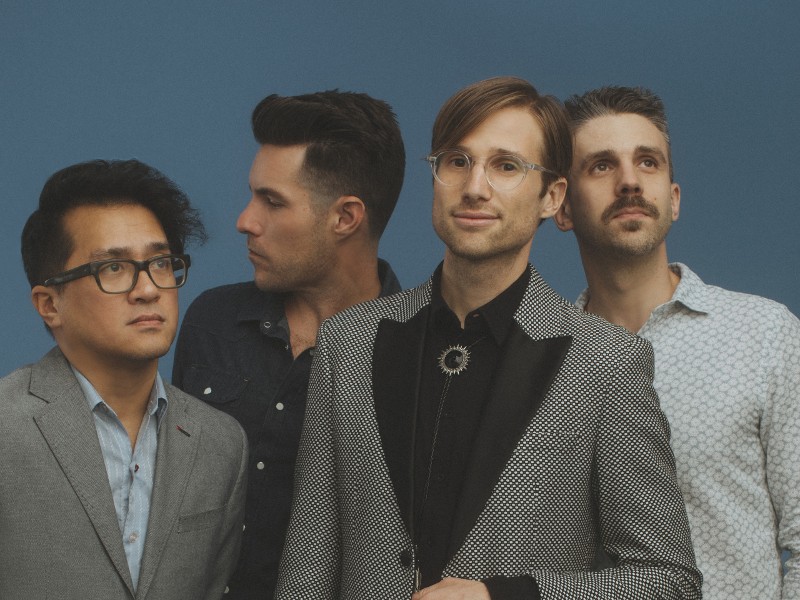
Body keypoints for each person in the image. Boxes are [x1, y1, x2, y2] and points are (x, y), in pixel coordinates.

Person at [276, 76, 702, 600]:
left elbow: (667, 581)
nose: (475, 186)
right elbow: (306, 567)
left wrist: (506, 596)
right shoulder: (348, 342)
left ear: (552, 196)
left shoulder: (606, 361)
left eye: (506, 166)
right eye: (457, 161)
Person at [554, 85, 800, 599]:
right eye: (601, 166)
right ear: (561, 206)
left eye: (648, 163)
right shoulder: (541, 361)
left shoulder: (764, 333)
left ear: (674, 198)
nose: (628, 182)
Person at [171, 89, 405, 598]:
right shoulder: (211, 319)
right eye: (253, 195)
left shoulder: (414, 355)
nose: (245, 221)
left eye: (272, 201)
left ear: (345, 218)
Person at [0, 159, 248, 599]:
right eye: (112, 268)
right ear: (49, 303)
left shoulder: (220, 444)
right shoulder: (7, 426)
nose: (148, 288)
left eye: (161, 263)